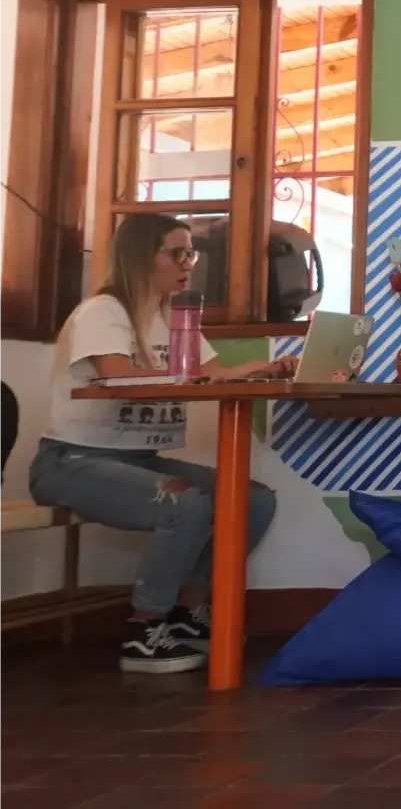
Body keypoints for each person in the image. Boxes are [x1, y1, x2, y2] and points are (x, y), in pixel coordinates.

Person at [30, 214, 291, 674]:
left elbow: (208, 374)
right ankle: (143, 629)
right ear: (141, 255)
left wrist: (257, 368)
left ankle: (188, 615)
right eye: (177, 252)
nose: (188, 262)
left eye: (191, 253)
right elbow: (119, 376)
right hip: (71, 460)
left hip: (138, 459)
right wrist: (200, 376)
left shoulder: (172, 316)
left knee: (252, 501)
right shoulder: (103, 312)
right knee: (184, 504)